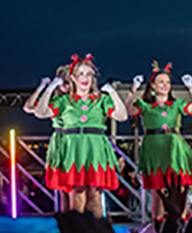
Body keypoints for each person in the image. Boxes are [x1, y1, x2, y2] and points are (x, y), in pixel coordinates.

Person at [34, 54, 128, 218]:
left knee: (95, 196)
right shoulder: (65, 101)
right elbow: (40, 112)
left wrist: (112, 93)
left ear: (93, 78)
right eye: (81, 74)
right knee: (77, 195)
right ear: (73, 78)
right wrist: (49, 89)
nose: (85, 78)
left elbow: (122, 116)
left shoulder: (100, 100)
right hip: (74, 150)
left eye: (89, 74)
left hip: (95, 149)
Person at [124, 62, 192, 226]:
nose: (165, 85)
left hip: (175, 148)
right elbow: (129, 111)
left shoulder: (176, 104)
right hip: (154, 149)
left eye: (167, 82)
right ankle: (159, 230)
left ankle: (179, 226)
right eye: (161, 81)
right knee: (157, 191)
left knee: (180, 188)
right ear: (152, 85)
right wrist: (133, 90)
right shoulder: (145, 105)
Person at [22, 65, 70, 211]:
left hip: (75, 139)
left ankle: (80, 222)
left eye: (68, 82)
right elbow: (28, 107)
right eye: (63, 81)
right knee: (63, 188)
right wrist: (43, 87)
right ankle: (68, 221)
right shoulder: (53, 100)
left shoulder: (75, 99)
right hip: (60, 142)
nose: (65, 85)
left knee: (77, 186)